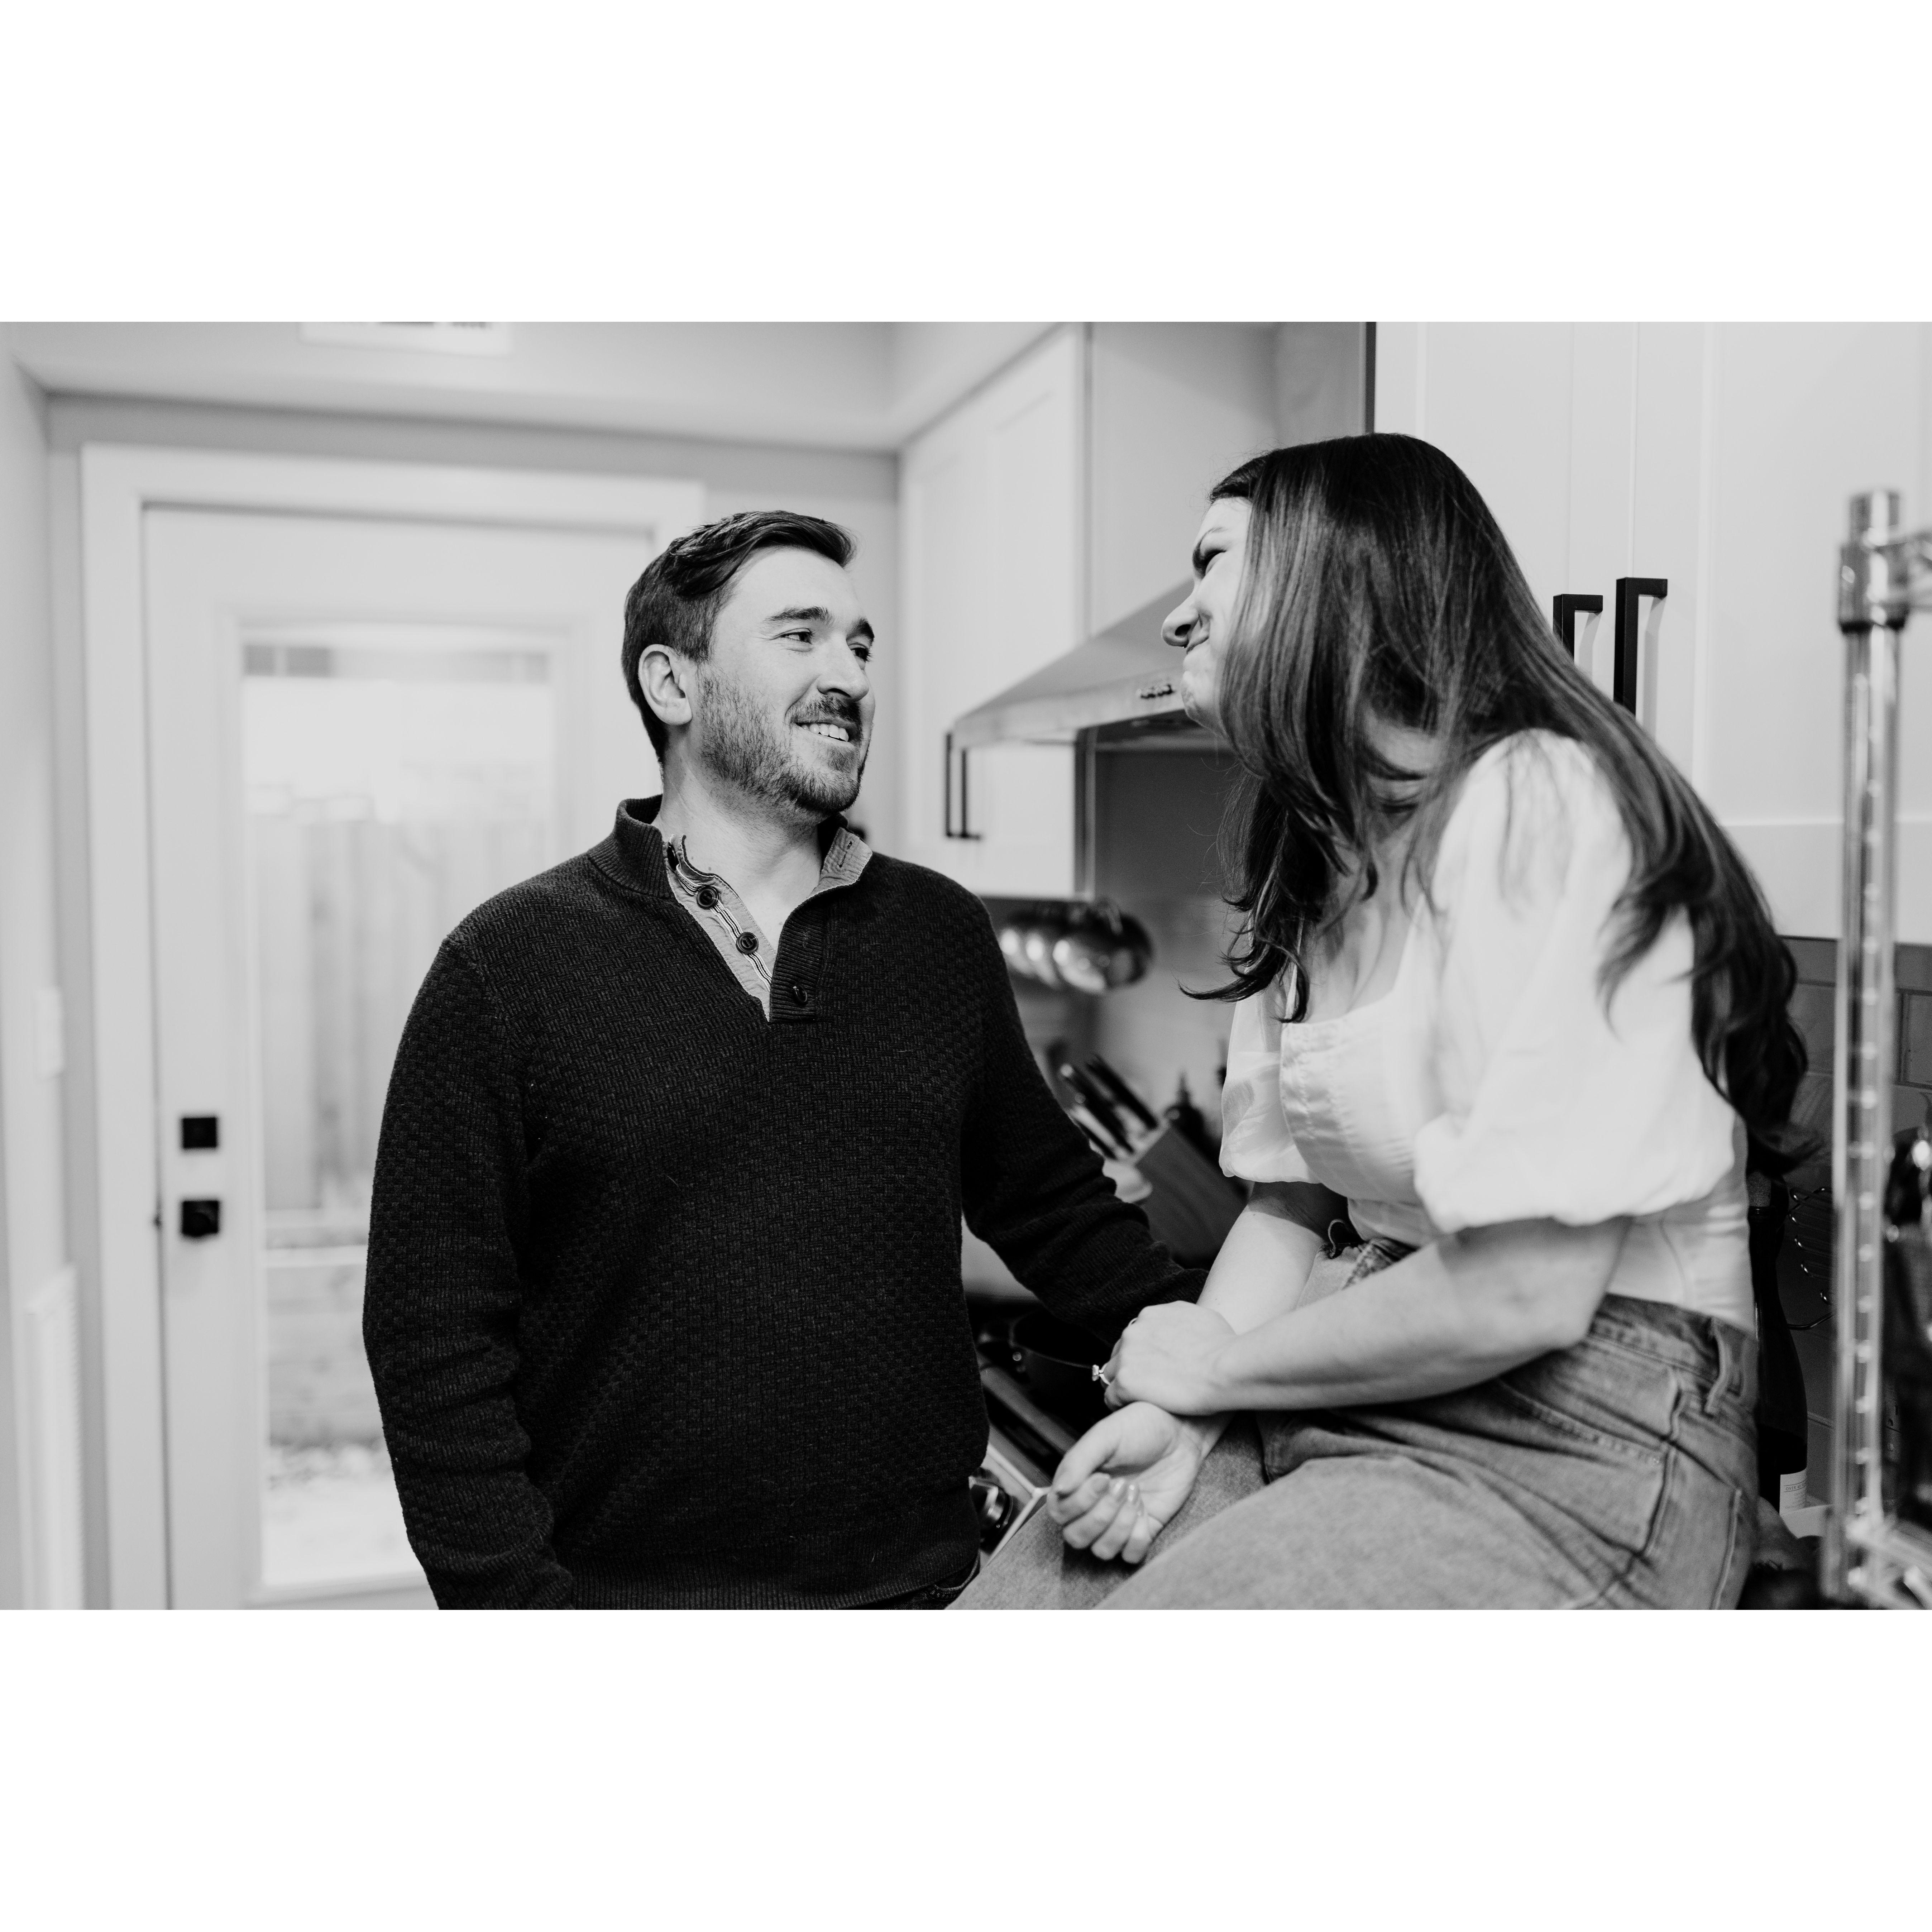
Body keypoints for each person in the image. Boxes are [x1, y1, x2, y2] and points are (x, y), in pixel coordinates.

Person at [959, 434, 1807, 1610]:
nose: (1177, 617)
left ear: (1336, 572)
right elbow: (1290, 1206)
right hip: (1351, 1371)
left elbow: (1523, 1290)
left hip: (1580, 1436)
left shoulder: (1536, 800)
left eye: (1212, 563)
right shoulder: (1312, 871)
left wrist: (1219, 1371)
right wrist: (1181, 1420)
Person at [362, 509, 1200, 1608]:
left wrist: (1212, 1359)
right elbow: (433, 1338)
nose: (847, 674)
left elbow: (1053, 1206)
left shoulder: (939, 936)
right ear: (673, 683)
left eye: (859, 646)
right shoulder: (506, 967)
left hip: (924, 1595)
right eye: (800, 636)